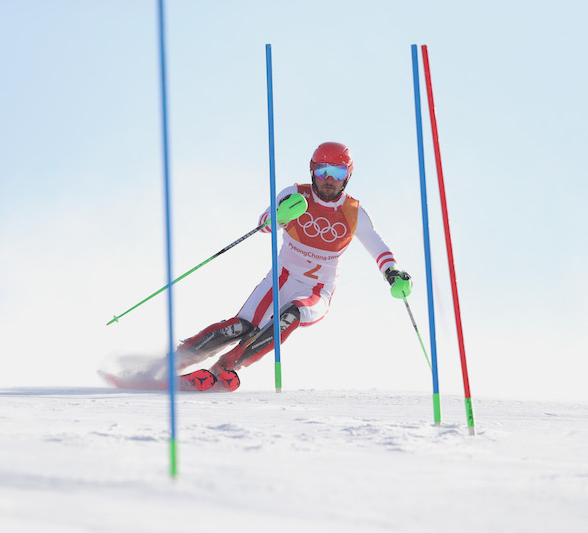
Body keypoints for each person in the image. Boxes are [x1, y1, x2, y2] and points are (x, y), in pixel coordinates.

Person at [174, 142, 412, 391]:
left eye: (338, 173)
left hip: (316, 292)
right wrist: (281, 215)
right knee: (240, 326)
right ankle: (174, 361)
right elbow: (264, 226)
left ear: (348, 177)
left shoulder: (354, 212)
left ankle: (227, 366)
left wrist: (393, 273)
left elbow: (379, 249)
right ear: (312, 171)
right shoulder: (296, 195)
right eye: (322, 171)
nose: (329, 179)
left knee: (290, 315)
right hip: (279, 280)